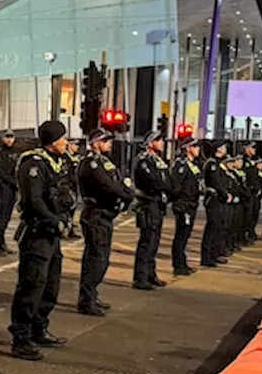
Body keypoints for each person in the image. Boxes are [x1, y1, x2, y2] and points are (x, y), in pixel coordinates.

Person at [8, 121, 75, 361]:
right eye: (63, 138)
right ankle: (21, 338)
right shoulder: (33, 164)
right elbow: (34, 201)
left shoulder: (59, 162)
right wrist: (53, 219)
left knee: (51, 285)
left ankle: (39, 328)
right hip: (37, 233)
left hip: (52, 234)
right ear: (51, 141)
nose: (66, 142)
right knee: (31, 286)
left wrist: (66, 218)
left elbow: (66, 194)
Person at [77, 129, 133, 315]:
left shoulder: (104, 162)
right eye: (105, 140)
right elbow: (108, 185)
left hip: (105, 215)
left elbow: (117, 181)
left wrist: (125, 191)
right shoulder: (90, 163)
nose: (109, 143)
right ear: (94, 143)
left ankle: (91, 294)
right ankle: (86, 300)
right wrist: (126, 192)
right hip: (96, 214)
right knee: (96, 259)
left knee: (100, 258)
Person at [132, 131, 171, 290]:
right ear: (150, 143)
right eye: (158, 140)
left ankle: (150, 274)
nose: (162, 142)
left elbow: (168, 180)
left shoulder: (159, 161)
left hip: (157, 204)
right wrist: (166, 187)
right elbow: (153, 181)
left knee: (154, 242)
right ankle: (140, 278)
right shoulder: (143, 160)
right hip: (147, 203)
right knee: (146, 241)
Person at [168, 136, 201, 276]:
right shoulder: (181, 164)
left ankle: (182, 263)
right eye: (195, 146)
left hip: (191, 204)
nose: (198, 149)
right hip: (184, 205)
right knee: (180, 236)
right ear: (188, 148)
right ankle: (178, 265)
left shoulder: (192, 165)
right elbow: (176, 186)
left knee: (185, 236)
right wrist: (179, 203)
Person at [0, 129, 19, 256]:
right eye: (7, 137)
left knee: (6, 218)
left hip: (11, 190)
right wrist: (14, 182)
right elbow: (1, 172)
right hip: (2, 189)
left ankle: (1, 243)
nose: (10, 140)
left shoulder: (14, 153)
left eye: (11, 137)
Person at [201, 142, 232, 267]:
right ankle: (206, 257)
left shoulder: (218, 164)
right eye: (223, 148)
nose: (225, 150)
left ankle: (214, 254)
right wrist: (224, 194)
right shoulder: (211, 164)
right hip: (213, 199)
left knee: (218, 227)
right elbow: (216, 182)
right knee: (212, 227)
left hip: (219, 199)